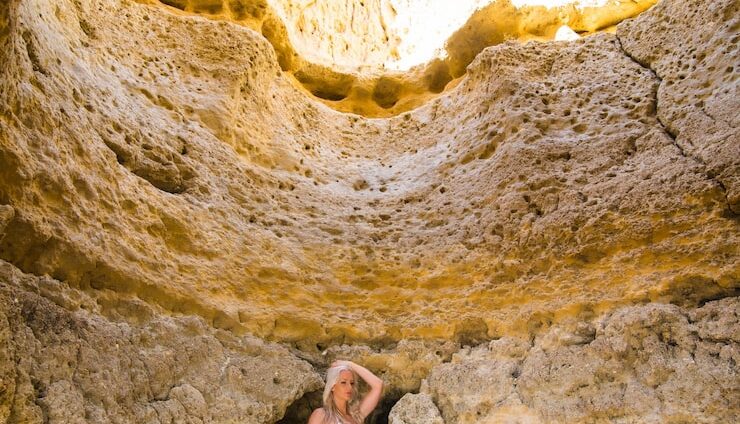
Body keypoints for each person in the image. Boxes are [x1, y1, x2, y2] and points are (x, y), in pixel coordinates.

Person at [307, 360, 384, 424]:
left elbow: (378, 385)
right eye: (343, 382)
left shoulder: (356, 417)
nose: (349, 387)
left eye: (352, 383)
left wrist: (349, 364)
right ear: (332, 386)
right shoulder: (321, 415)